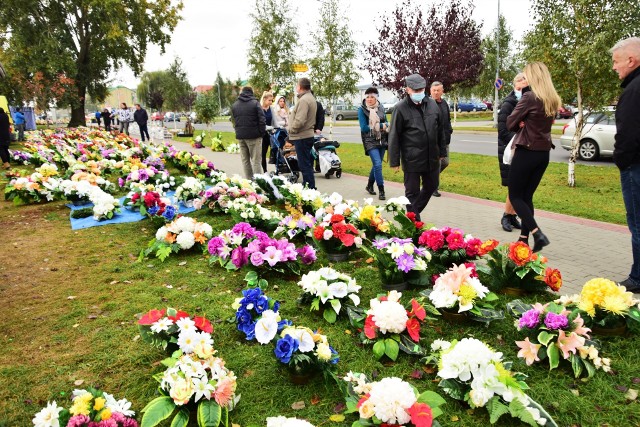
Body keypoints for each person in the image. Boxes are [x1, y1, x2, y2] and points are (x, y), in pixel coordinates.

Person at [506, 62, 561, 252]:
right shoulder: (551, 98)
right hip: (543, 153)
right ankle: (523, 239)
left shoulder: (529, 96)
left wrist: (520, 122)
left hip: (526, 151)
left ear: (534, 77)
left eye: (527, 75)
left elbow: (510, 122)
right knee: (527, 197)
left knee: (515, 196)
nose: (525, 79)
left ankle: (538, 234)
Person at [388, 74, 445, 221]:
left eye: (421, 90)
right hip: (411, 158)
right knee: (412, 192)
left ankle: (411, 215)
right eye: (416, 90)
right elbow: (394, 135)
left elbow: (440, 130)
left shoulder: (432, 105)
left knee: (432, 185)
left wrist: (442, 152)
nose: (419, 93)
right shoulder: (400, 108)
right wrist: (394, 161)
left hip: (432, 157)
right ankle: (414, 222)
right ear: (408, 90)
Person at [611, 37, 640, 291]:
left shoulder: (634, 90)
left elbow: (629, 134)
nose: (613, 67)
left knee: (638, 221)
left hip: (635, 166)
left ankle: (638, 277)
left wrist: (621, 160)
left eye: (616, 61)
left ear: (632, 60)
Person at [497, 73, 526, 232]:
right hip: (510, 150)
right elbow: (502, 130)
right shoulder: (509, 103)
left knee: (519, 186)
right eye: (521, 82)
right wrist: (519, 139)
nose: (524, 85)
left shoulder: (527, 101)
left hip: (523, 148)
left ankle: (512, 215)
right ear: (515, 85)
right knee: (514, 186)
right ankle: (506, 216)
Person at [358, 87, 389, 200]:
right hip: (369, 140)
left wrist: (386, 124)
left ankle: (369, 185)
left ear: (376, 98)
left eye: (372, 97)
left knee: (377, 164)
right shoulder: (362, 109)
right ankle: (381, 190)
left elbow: (385, 120)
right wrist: (380, 126)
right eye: (367, 97)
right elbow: (364, 128)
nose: (369, 99)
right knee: (378, 164)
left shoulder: (381, 107)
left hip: (381, 139)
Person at [288, 78, 318, 189]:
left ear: (300, 87)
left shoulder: (304, 100)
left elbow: (300, 120)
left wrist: (291, 129)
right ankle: (308, 186)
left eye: (297, 86)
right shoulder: (310, 98)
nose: (296, 88)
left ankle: (310, 188)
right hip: (305, 135)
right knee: (306, 163)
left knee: (304, 165)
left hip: (302, 136)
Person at [231, 86, 266, 179]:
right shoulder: (255, 103)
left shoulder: (235, 105)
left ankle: (250, 182)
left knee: (245, 161)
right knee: (256, 161)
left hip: (241, 136)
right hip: (254, 136)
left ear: (242, 92)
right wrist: (261, 133)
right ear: (251, 92)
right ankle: (258, 184)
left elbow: (234, 121)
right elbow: (262, 120)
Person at [430, 81, 452, 197]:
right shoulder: (428, 104)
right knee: (437, 164)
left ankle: (430, 179)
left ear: (442, 91)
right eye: (434, 90)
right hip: (435, 140)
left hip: (445, 139)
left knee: (445, 162)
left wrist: (450, 130)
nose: (436, 92)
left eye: (438, 90)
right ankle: (433, 187)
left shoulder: (444, 104)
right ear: (430, 91)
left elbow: (447, 119)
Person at [259, 91, 277, 173]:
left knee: (276, 151)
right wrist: (270, 127)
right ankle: (265, 171)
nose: (271, 102)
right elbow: (260, 123)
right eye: (269, 100)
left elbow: (274, 120)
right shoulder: (259, 108)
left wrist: (277, 128)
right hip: (263, 134)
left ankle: (278, 170)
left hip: (271, 133)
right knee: (263, 153)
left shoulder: (271, 108)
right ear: (264, 99)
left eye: (271, 100)